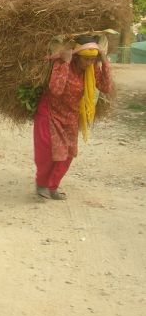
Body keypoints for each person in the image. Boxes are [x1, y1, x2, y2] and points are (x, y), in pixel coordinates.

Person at [33, 35, 112, 200]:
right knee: (47, 152)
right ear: (76, 56)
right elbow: (56, 89)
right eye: (86, 59)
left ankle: (53, 186)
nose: (89, 63)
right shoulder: (61, 63)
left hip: (71, 116)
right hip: (50, 112)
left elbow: (106, 87)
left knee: (68, 153)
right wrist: (66, 62)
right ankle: (41, 184)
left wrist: (104, 61)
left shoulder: (91, 69)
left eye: (93, 59)